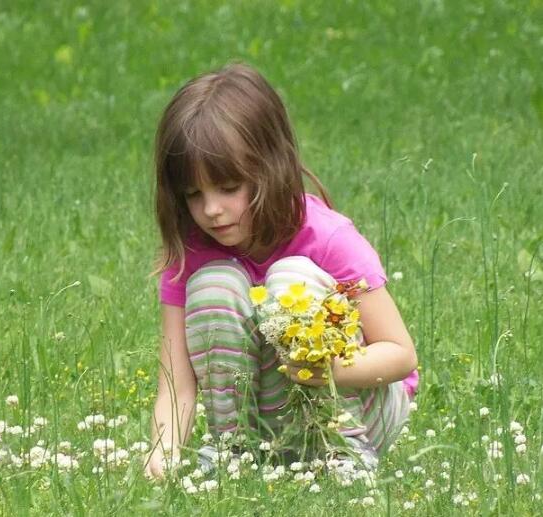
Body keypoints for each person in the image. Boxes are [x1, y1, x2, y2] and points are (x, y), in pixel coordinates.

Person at [145, 62, 418, 478]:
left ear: (269, 167)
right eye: (193, 194)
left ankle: (342, 453)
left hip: (362, 406)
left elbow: (401, 355)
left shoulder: (327, 237)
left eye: (229, 188)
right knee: (214, 285)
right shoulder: (192, 253)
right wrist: (160, 460)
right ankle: (236, 450)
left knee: (291, 278)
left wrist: (324, 370)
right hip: (274, 422)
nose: (211, 210)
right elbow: (177, 382)